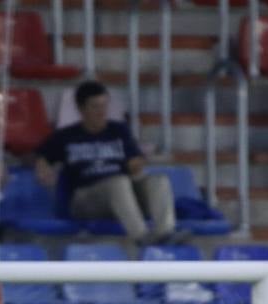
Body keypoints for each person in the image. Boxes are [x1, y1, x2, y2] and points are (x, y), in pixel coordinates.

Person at [35, 81, 178, 246]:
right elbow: (39, 155)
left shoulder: (119, 130)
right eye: (95, 107)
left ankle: (165, 234)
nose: (102, 112)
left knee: (158, 181)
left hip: (123, 197)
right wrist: (42, 166)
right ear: (81, 109)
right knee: (118, 182)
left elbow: (134, 161)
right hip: (86, 199)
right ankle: (141, 237)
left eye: (104, 105)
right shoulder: (66, 136)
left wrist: (139, 164)